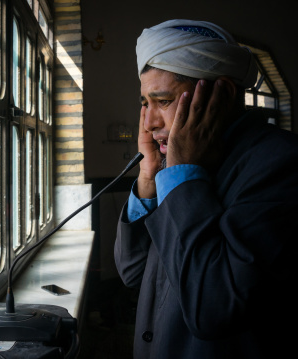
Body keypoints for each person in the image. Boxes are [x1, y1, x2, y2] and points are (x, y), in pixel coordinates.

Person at [114, 19, 298, 359]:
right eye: (145, 103)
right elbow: (133, 273)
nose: (150, 122)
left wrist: (183, 176)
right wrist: (149, 178)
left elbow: (213, 309)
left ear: (224, 94)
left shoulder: (280, 164)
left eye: (163, 101)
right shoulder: (166, 169)